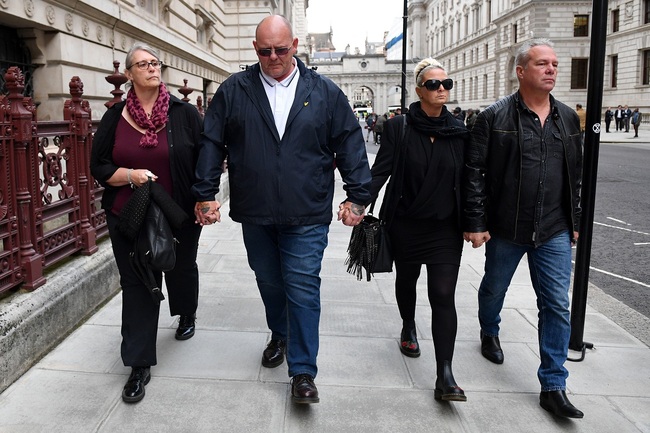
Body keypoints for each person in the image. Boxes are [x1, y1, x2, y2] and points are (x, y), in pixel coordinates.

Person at [191, 15, 371, 404]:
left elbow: (350, 143)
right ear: (255, 50)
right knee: (269, 280)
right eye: (264, 51)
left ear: (295, 47)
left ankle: (303, 371)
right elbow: (211, 143)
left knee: (303, 285)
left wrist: (358, 195)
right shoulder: (234, 90)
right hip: (255, 211)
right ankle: (281, 333)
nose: (272, 57)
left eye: (280, 49)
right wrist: (205, 193)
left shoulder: (323, 92)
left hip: (306, 211)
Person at [462, 38, 584, 419]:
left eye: (554, 64)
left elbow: (575, 176)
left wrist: (574, 222)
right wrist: (477, 223)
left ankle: (553, 384)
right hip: (507, 227)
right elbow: (475, 175)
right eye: (542, 64)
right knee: (494, 287)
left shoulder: (567, 117)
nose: (551, 69)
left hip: (554, 229)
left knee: (555, 305)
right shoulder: (494, 117)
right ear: (520, 71)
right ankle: (489, 329)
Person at [90, 42, 203, 403]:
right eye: (143, 64)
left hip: (178, 211)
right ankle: (139, 364)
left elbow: (206, 160)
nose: (153, 68)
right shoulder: (114, 117)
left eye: (156, 63)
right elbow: (99, 167)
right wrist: (130, 175)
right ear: (130, 74)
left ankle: (186, 311)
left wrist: (206, 198)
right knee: (139, 282)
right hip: (129, 213)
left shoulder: (184, 114)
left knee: (181, 266)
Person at [369, 58, 469, 402]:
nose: (441, 89)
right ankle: (408, 325)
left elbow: (471, 183)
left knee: (443, 295)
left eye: (446, 84)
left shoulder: (460, 131)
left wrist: (477, 223)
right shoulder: (399, 128)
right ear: (418, 90)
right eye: (433, 84)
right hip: (406, 222)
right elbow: (380, 172)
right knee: (407, 280)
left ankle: (445, 374)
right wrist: (356, 202)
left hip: (445, 227)